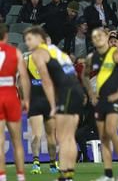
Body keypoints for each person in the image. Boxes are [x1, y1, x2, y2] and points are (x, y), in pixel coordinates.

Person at [25, 25, 84, 181]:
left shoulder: (39, 53)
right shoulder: (57, 51)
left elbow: (47, 82)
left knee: (63, 137)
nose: (27, 43)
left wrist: (52, 105)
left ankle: (65, 176)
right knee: (69, 137)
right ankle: (68, 175)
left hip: (65, 92)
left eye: (30, 39)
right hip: (76, 90)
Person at [82, 28, 118, 181]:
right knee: (104, 137)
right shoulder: (91, 58)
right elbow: (85, 76)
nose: (98, 39)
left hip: (114, 100)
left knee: (111, 132)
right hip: (100, 101)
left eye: (100, 36)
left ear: (106, 38)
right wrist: (91, 94)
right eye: (95, 37)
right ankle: (108, 174)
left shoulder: (115, 54)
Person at [26, 29, 60, 175]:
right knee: (37, 135)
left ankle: (52, 164)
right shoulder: (27, 60)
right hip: (36, 101)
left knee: (51, 135)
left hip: (49, 103)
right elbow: (22, 83)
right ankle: (36, 163)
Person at [0, 23, 29, 181]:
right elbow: (23, 77)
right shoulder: (16, 52)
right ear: (6, 36)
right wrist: (25, 99)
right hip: (11, 94)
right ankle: (20, 176)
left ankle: (2, 177)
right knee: (17, 141)